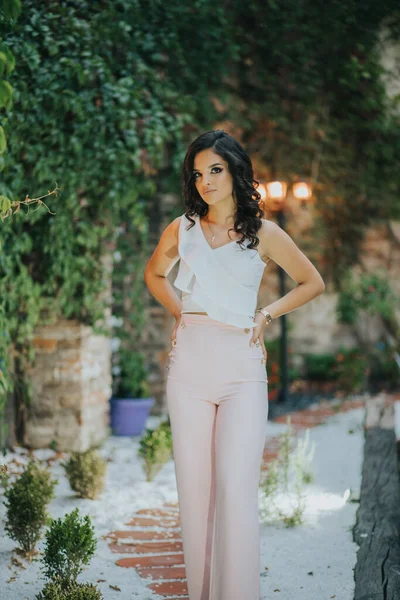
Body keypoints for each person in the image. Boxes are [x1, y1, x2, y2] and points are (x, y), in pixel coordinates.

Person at [144, 130, 325, 600]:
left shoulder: (263, 234)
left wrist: (266, 314)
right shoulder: (181, 229)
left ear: (235, 171)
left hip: (242, 368)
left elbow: (312, 282)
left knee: (235, 488)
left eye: (215, 170)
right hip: (190, 367)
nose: (205, 181)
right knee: (196, 490)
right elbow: (154, 275)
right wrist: (184, 314)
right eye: (198, 174)